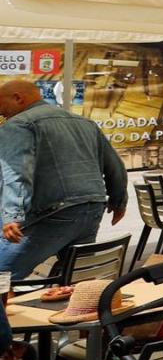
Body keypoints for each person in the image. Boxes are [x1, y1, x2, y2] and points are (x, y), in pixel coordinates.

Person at [0, 80, 128, 286]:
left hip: (54, 212)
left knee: (2, 275)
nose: (1, 112)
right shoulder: (84, 123)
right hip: (91, 208)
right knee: (75, 281)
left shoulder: (19, 125)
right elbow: (115, 165)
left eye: (1, 104)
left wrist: (12, 215)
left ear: (18, 98)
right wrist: (118, 200)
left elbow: (16, 173)